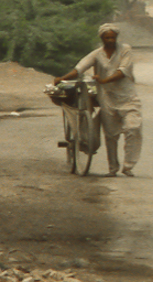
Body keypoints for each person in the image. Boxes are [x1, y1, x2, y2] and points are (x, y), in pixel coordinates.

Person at [54, 23, 144, 178]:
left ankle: (128, 166)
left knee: (133, 128)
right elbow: (79, 69)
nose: (110, 40)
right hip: (106, 99)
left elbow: (122, 71)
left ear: (116, 37)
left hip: (128, 98)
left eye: (113, 37)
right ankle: (112, 168)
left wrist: (103, 80)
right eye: (107, 37)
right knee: (110, 135)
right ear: (102, 38)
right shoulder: (96, 54)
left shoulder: (125, 50)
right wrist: (62, 78)